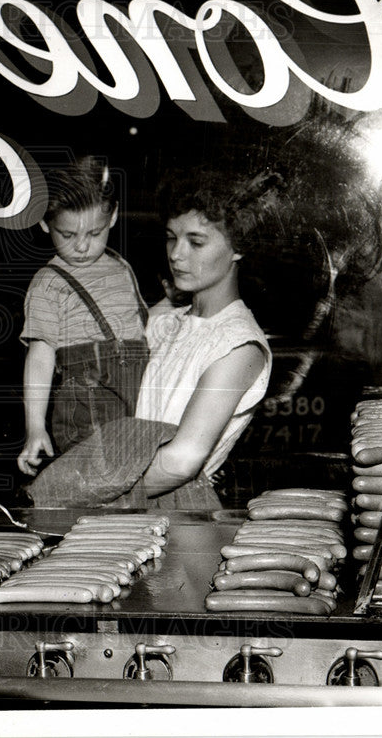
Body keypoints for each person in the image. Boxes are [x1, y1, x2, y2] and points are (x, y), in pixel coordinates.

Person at [133, 167, 274, 508]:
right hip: (134, 504)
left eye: (195, 241)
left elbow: (183, 461)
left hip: (175, 511)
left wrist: (88, 493)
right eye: (171, 237)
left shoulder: (239, 345)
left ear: (238, 247)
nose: (176, 254)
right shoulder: (166, 321)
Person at [17, 157, 150, 475]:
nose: (81, 246)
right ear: (45, 224)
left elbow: (139, 333)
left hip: (139, 403)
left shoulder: (122, 267)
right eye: (67, 235)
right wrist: (35, 427)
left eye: (94, 233)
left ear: (113, 216)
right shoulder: (49, 283)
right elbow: (40, 358)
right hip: (86, 413)